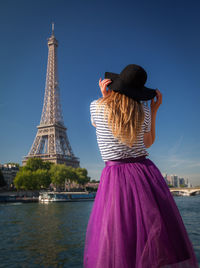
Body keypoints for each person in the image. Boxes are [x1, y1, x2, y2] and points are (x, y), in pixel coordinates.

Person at [83, 64, 199, 268]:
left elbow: (97, 124)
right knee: (153, 233)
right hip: (144, 174)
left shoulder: (96, 106)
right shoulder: (143, 110)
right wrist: (154, 111)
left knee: (119, 233)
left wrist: (104, 95)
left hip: (115, 175)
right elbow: (148, 142)